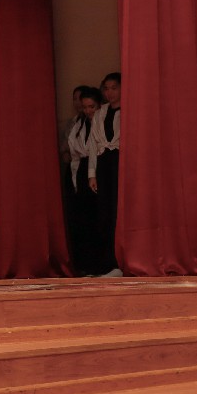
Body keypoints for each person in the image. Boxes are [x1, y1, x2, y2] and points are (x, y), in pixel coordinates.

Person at [66, 87, 107, 276]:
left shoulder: (103, 121)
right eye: (85, 107)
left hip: (100, 166)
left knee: (99, 216)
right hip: (82, 169)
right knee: (83, 219)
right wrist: (75, 179)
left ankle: (102, 263)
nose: (88, 111)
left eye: (92, 107)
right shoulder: (79, 124)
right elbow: (74, 153)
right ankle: (86, 264)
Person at [89, 72, 122, 277]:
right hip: (104, 163)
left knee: (118, 210)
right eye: (106, 88)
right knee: (104, 212)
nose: (110, 93)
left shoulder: (128, 110)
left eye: (114, 88)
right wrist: (92, 173)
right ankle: (106, 262)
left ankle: (120, 261)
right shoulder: (100, 113)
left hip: (120, 162)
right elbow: (93, 144)